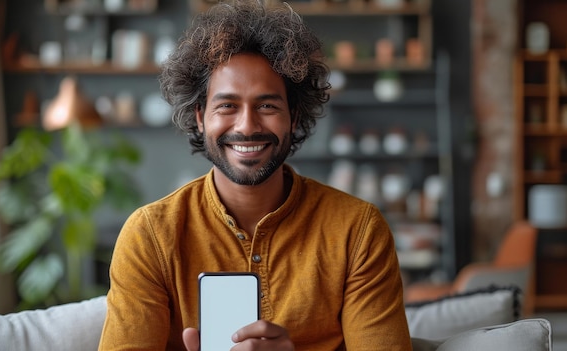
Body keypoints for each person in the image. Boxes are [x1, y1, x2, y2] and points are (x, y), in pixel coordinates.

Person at [98, 1, 412, 350]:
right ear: (201, 117)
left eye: (267, 106)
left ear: (293, 116)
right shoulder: (150, 237)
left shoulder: (357, 231)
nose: (247, 126)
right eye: (227, 106)